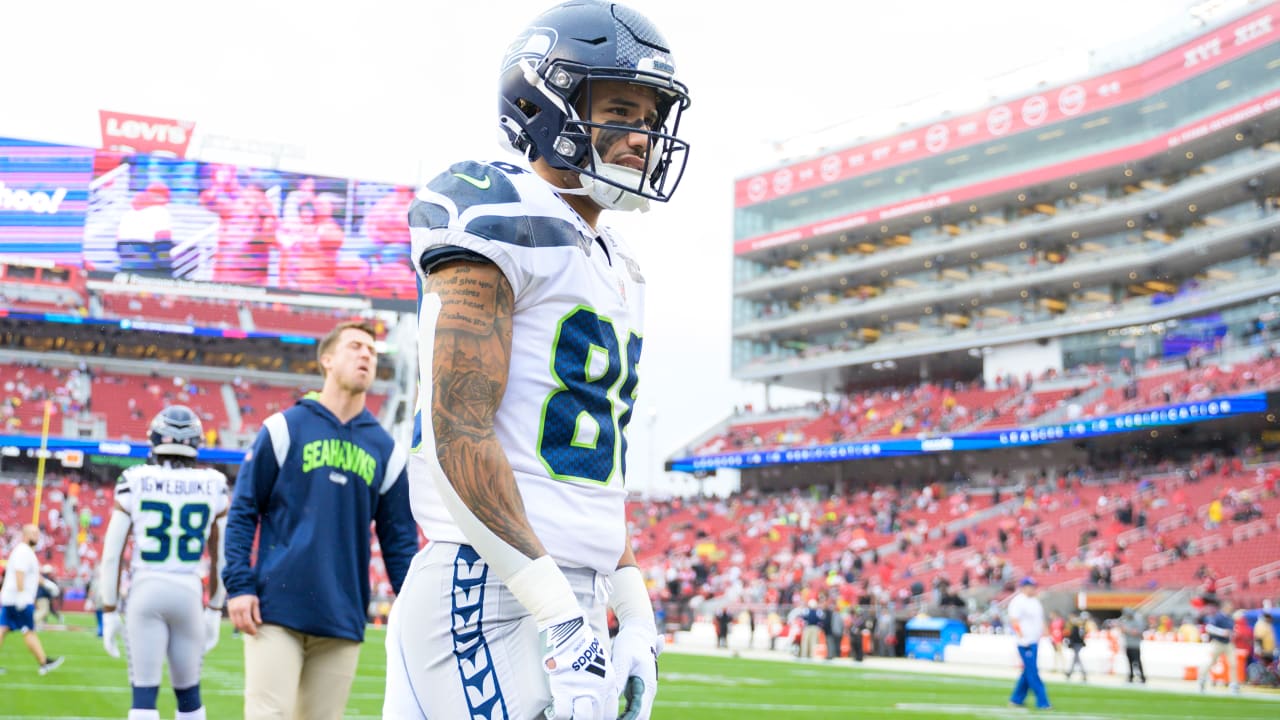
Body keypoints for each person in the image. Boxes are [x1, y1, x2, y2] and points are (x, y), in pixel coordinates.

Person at [384, 2, 692, 718]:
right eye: (621, 109)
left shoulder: (620, 266)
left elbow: (589, 471)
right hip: (489, 577)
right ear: (542, 100)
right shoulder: (497, 210)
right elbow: (458, 426)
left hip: (565, 587)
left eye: (651, 118)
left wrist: (635, 613)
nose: (642, 136)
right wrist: (557, 611)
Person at [223, 321, 417, 720]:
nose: (366, 354)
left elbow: (400, 544)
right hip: (274, 609)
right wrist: (239, 585)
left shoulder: (386, 450)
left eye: (372, 351)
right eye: (355, 346)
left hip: (340, 617)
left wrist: (413, 611)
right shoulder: (284, 428)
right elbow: (243, 510)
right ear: (326, 359)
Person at [98, 406, 229, 720]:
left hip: (147, 588)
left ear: (154, 439)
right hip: (187, 589)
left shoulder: (135, 479)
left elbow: (112, 554)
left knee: (144, 697)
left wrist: (109, 609)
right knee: (190, 698)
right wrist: (214, 609)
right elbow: (221, 556)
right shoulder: (213, 483)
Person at [0, 524, 63, 675]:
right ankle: (43, 662)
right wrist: (22, 594)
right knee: (28, 630)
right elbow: (19, 573)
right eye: (33, 533)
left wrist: (47, 584)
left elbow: (33, 575)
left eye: (37, 533)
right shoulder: (23, 551)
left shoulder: (26, 552)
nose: (37, 536)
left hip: (13, 598)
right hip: (18, 599)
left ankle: (44, 662)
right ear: (25, 535)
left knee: (4, 629)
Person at [1007, 577, 1051, 710]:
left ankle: (1016, 700)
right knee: (1032, 672)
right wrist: (1022, 637)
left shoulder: (1035, 602)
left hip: (1034, 641)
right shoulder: (1018, 602)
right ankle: (1043, 701)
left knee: (1027, 672)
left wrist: (1046, 634)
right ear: (1024, 587)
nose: (1033, 589)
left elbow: (1040, 620)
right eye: (1031, 586)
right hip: (1025, 642)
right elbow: (1014, 621)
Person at [1198, 597, 1235, 693]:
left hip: (1227, 643)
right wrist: (1222, 632)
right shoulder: (1218, 617)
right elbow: (1209, 628)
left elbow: (1231, 631)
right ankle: (1202, 679)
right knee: (1212, 662)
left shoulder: (1230, 618)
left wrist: (1232, 634)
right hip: (1218, 642)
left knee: (1233, 663)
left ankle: (1234, 684)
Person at [1120, 607, 1146, 683]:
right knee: (1129, 661)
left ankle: (1142, 677)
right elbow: (1123, 631)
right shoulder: (1125, 620)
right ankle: (1131, 676)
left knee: (1137, 661)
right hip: (1128, 644)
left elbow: (1137, 632)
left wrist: (1126, 629)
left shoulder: (1138, 620)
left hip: (1135, 645)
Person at [1064, 611, 1088, 682]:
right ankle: (1071, 673)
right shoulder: (1079, 624)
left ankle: (1081, 673)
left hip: (1077, 643)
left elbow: (1076, 635)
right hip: (1078, 643)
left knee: (1076, 659)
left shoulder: (1076, 624)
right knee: (1076, 659)